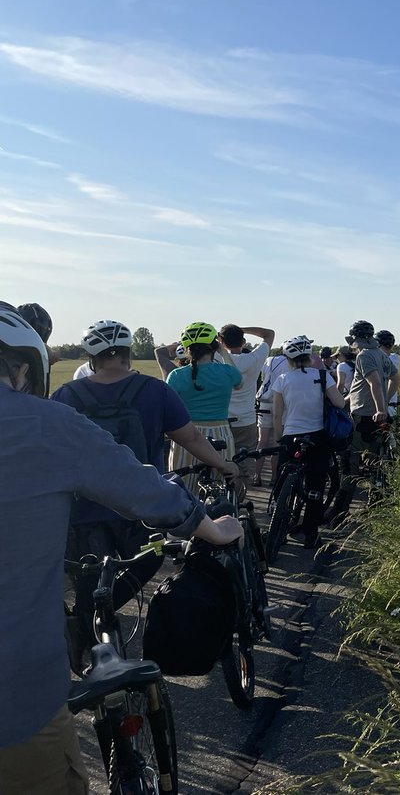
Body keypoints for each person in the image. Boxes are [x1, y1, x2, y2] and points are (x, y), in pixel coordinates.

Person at [0, 304, 242, 794]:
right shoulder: (47, 419)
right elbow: (149, 477)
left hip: (79, 533)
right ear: (23, 368)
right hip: (16, 701)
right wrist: (208, 525)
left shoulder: (73, 395)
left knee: (86, 599)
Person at [51, 319, 242, 670]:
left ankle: (84, 628)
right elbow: (191, 439)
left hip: (82, 511)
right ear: (127, 353)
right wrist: (224, 464)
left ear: (90, 357)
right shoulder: (154, 391)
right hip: (142, 509)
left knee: (90, 582)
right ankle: (99, 612)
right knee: (147, 562)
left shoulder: (66, 396)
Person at [271, 335, 346, 549]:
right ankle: (311, 533)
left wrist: (279, 438)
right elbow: (339, 403)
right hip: (317, 436)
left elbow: (277, 416)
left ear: (288, 359)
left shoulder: (282, 380)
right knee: (316, 485)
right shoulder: (323, 376)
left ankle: (281, 521)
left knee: (282, 479)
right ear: (309, 356)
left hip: (290, 435)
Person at [331, 320, 396, 524]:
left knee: (350, 461)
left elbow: (374, 381)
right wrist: (384, 402)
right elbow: (395, 377)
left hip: (364, 416)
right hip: (375, 415)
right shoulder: (381, 354)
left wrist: (379, 409)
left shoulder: (364, 355)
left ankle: (340, 512)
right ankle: (375, 505)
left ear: (356, 339)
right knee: (375, 461)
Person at [165, 322, 243, 485]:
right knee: (223, 485)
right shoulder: (226, 372)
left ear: (187, 348)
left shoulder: (176, 375)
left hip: (186, 435)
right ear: (214, 346)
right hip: (220, 433)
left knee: (183, 489)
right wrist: (224, 353)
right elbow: (239, 382)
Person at [219, 323, 275, 455]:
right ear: (243, 341)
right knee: (245, 463)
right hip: (246, 420)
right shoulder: (255, 358)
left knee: (221, 463)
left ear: (221, 341)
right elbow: (269, 333)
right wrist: (242, 330)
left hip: (221, 421)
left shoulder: (217, 359)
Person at [253, 347, 291, 486]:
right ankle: (274, 477)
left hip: (264, 402)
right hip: (281, 403)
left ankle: (257, 476)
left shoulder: (270, 360)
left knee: (261, 441)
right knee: (276, 442)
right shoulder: (290, 363)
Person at [376, 329, 400, 417]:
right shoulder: (395, 357)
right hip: (393, 403)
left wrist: (384, 400)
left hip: (381, 405)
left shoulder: (379, 358)